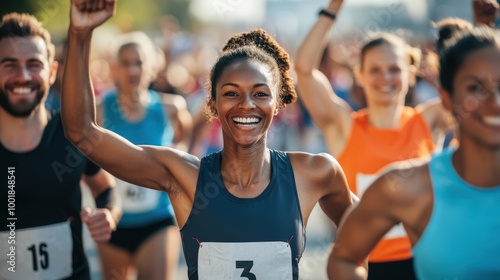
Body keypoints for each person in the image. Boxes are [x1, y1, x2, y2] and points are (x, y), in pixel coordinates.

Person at [62, 0, 354, 279]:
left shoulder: (314, 172)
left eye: (261, 93)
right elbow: (82, 132)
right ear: (213, 105)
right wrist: (80, 34)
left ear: (276, 105)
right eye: (231, 93)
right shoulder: (185, 177)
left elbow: (369, 227)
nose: (247, 104)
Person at [328, 26, 500, 280]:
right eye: (475, 88)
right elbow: (342, 260)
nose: (495, 102)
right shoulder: (403, 185)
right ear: (446, 99)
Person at [295, 0, 451, 278]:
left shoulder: (428, 120)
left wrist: (487, 28)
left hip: (426, 264)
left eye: (394, 69)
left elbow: (479, 87)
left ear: (410, 74)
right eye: (375, 70)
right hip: (362, 266)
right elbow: (305, 69)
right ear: (361, 75)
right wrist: (334, 7)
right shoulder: (344, 126)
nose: (385, 78)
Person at [0, 13, 121, 280]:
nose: (23, 76)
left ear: (52, 71)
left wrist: (108, 214)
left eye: (34, 64)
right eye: (9, 65)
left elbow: (105, 188)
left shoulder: (72, 134)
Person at [97, 31, 192, 280]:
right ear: (115, 69)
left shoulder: (171, 108)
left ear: (151, 67)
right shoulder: (99, 111)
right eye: (125, 63)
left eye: (138, 62)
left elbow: (184, 138)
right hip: (113, 222)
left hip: (157, 221)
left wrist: (175, 160)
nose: (132, 70)